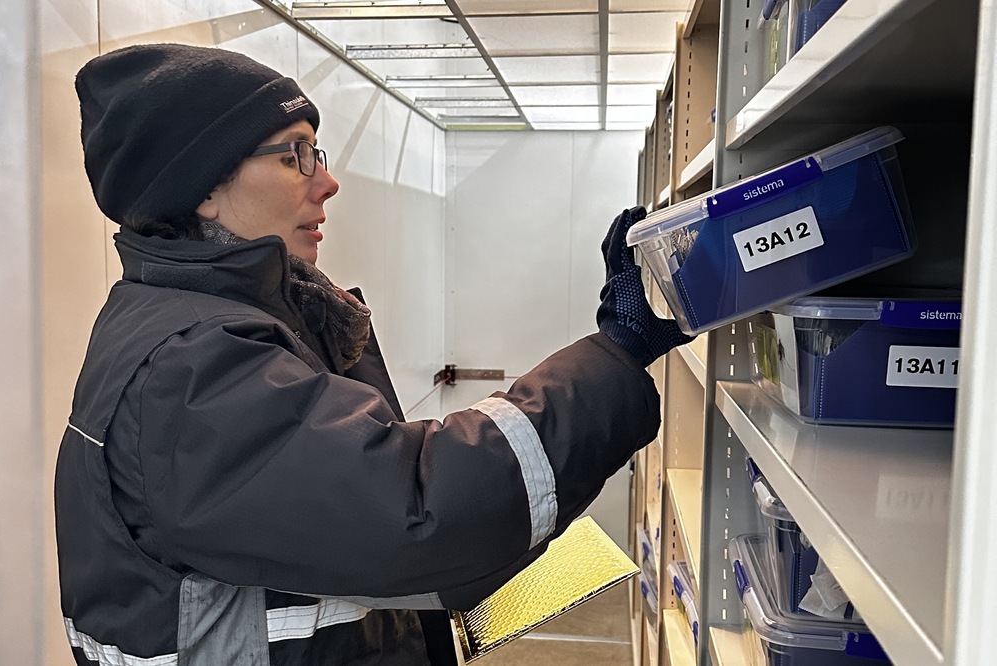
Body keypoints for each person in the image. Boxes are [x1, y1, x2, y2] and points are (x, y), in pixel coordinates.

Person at [55, 43, 693, 666]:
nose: (327, 182)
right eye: (295, 156)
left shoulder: (209, 325)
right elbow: (419, 511)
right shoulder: (190, 372)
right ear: (202, 189)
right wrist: (617, 353)